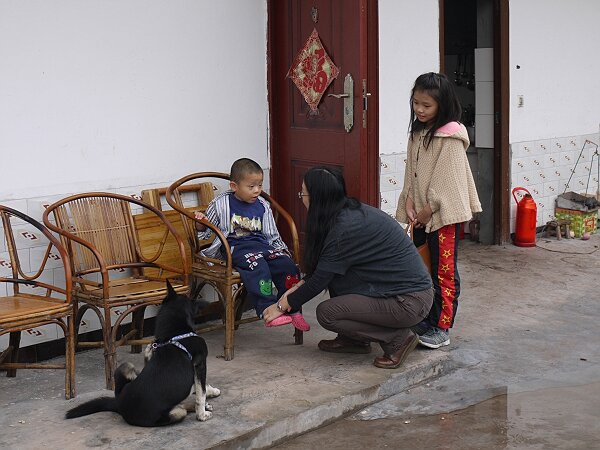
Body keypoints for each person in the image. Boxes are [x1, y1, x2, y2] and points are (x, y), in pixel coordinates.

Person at [262, 166, 433, 369]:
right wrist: (299, 286)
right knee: (339, 277)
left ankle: (397, 338)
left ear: (318, 197)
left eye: (303, 193)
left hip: (408, 301)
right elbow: (325, 270)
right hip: (398, 293)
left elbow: (319, 280)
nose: (301, 198)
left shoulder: (345, 227)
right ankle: (354, 339)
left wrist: (282, 305)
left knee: (328, 313)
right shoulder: (346, 214)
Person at [396, 72, 482, 349]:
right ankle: (424, 318)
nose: (419, 110)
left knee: (443, 272)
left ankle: (442, 327)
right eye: (416, 103)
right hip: (420, 215)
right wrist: (408, 201)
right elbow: (412, 173)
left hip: (442, 217)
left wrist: (427, 210)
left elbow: (448, 183)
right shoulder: (418, 133)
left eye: (427, 105)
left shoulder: (451, 137)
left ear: (442, 106)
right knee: (422, 268)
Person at [194, 158, 309, 331]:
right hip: (234, 248)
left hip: (262, 246)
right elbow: (206, 232)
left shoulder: (263, 205)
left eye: (260, 185)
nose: (257, 191)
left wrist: (281, 251)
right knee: (258, 266)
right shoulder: (220, 204)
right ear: (234, 186)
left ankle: (293, 308)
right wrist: (200, 223)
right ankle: (266, 309)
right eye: (251, 187)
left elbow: (271, 234)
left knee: (287, 265)